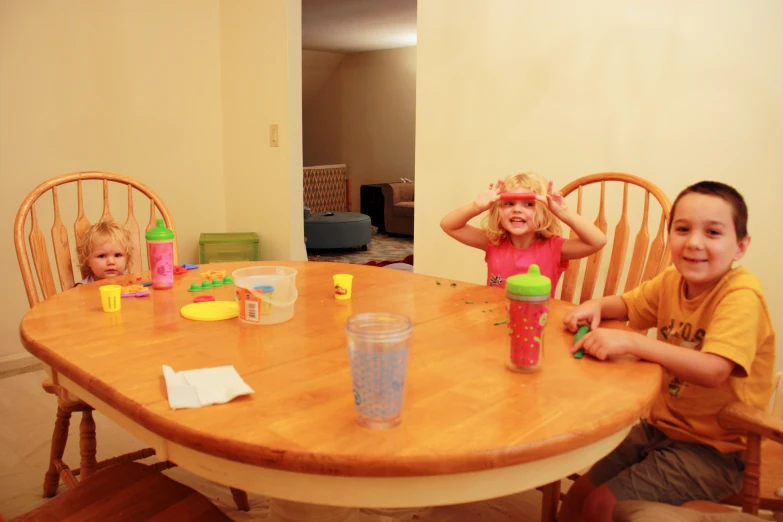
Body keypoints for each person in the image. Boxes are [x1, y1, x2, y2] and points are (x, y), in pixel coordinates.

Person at [559, 181, 776, 522]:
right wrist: (595, 305)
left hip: (715, 450)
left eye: (713, 232)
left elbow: (714, 370)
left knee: (603, 505)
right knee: (579, 496)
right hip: (659, 428)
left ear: (740, 246)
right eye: (683, 229)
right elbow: (627, 304)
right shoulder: (672, 279)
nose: (694, 242)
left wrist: (634, 342)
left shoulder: (741, 295)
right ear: (670, 234)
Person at [440, 172, 606, 294]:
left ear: (545, 212)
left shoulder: (554, 248)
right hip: (495, 320)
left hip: (536, 323)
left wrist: (564, 213)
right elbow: (449, 225)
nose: (517, 210)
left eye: (528, 204)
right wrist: (476, 207)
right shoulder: (492, 242)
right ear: (498, 211)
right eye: (509, 203)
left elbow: (597, 241)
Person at [75, 220, 133, 284]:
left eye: (117, 255)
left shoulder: (130, 283)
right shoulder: (82, 288)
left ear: (127, 258)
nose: (111, 262)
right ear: (87, 260)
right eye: (101, 256)